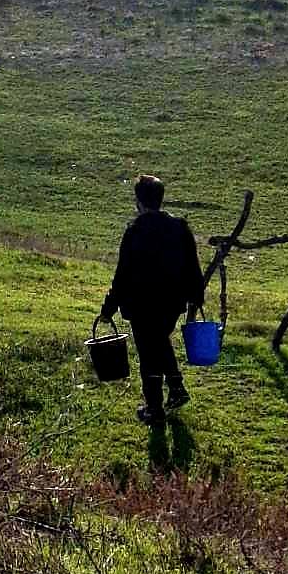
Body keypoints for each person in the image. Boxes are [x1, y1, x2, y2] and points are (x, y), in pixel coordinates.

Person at [99, 174, 205, 429]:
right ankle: (176, 387)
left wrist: (108, 309)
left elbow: (122, 275)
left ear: (139, 201)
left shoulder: (135, 231)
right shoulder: (180, 227)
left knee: (149, 354)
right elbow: (193, 265)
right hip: (172, 303)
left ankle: (155, 410)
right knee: (159, 341)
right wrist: (196, 298)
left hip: (141, 304)